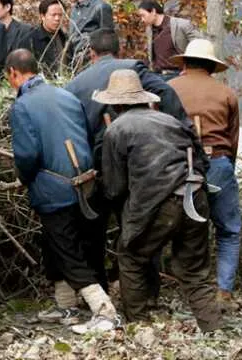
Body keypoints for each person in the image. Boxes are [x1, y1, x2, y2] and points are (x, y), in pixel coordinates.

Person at [65, 29, 190, 305]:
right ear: (118, 50)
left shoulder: (75, 85)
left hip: (93, 167)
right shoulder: (132, 69)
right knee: (138, 231)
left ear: (91, 54)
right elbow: (165, 93)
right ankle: (149, 295)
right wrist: (179, 129)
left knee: (93, 235)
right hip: (135, 166)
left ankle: (101, 298)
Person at [5, 49, 119, 334]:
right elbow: (86, 134)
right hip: (85, 182)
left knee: (66, 250)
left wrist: (24, 177)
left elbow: (27, 155)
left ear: (14, 73)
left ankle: (105, 311)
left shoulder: (23, 106)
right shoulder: (68, 96)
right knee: (55, 243)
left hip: (54, 188)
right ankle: (65, 306)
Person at [98, 69, 222, 332]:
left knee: (130, 256)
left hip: (158, 202)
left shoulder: (117, 130)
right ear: (144, 99)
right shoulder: (171, 121)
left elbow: (114, 188)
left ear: (115, 103)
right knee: (194, 270)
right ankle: (213, 329)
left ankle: (138, 329)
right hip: (195, 195)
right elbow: (201, 162)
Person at [167, 39, 241, 303]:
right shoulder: (226, 94)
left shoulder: (168, 89)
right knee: (228, 230)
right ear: (211, 67)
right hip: (217, 162)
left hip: (178, 165)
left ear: (184, 63)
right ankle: (223, 291)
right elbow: (233, 140)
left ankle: (189, 290)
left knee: (179, 228)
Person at [136, 0, 200, 80]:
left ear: (153, 11)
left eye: (143, 15)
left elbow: (200, 46)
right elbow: (151, 56)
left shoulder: (182, 25)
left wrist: (191, 69)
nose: (142, 19)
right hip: (157, 76)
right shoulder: (149, 30)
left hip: (179, 75)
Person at [65, 0, 114, 69]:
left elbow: (108, 40)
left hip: (94, 64)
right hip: (76, 66)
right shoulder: (74, 9)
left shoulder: (100, 6)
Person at [25, 0, 68, 77]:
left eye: (60, 15)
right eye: (53, 15)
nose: (57, 19)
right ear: (42, 16)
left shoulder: (65, 38)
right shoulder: (30, 40)